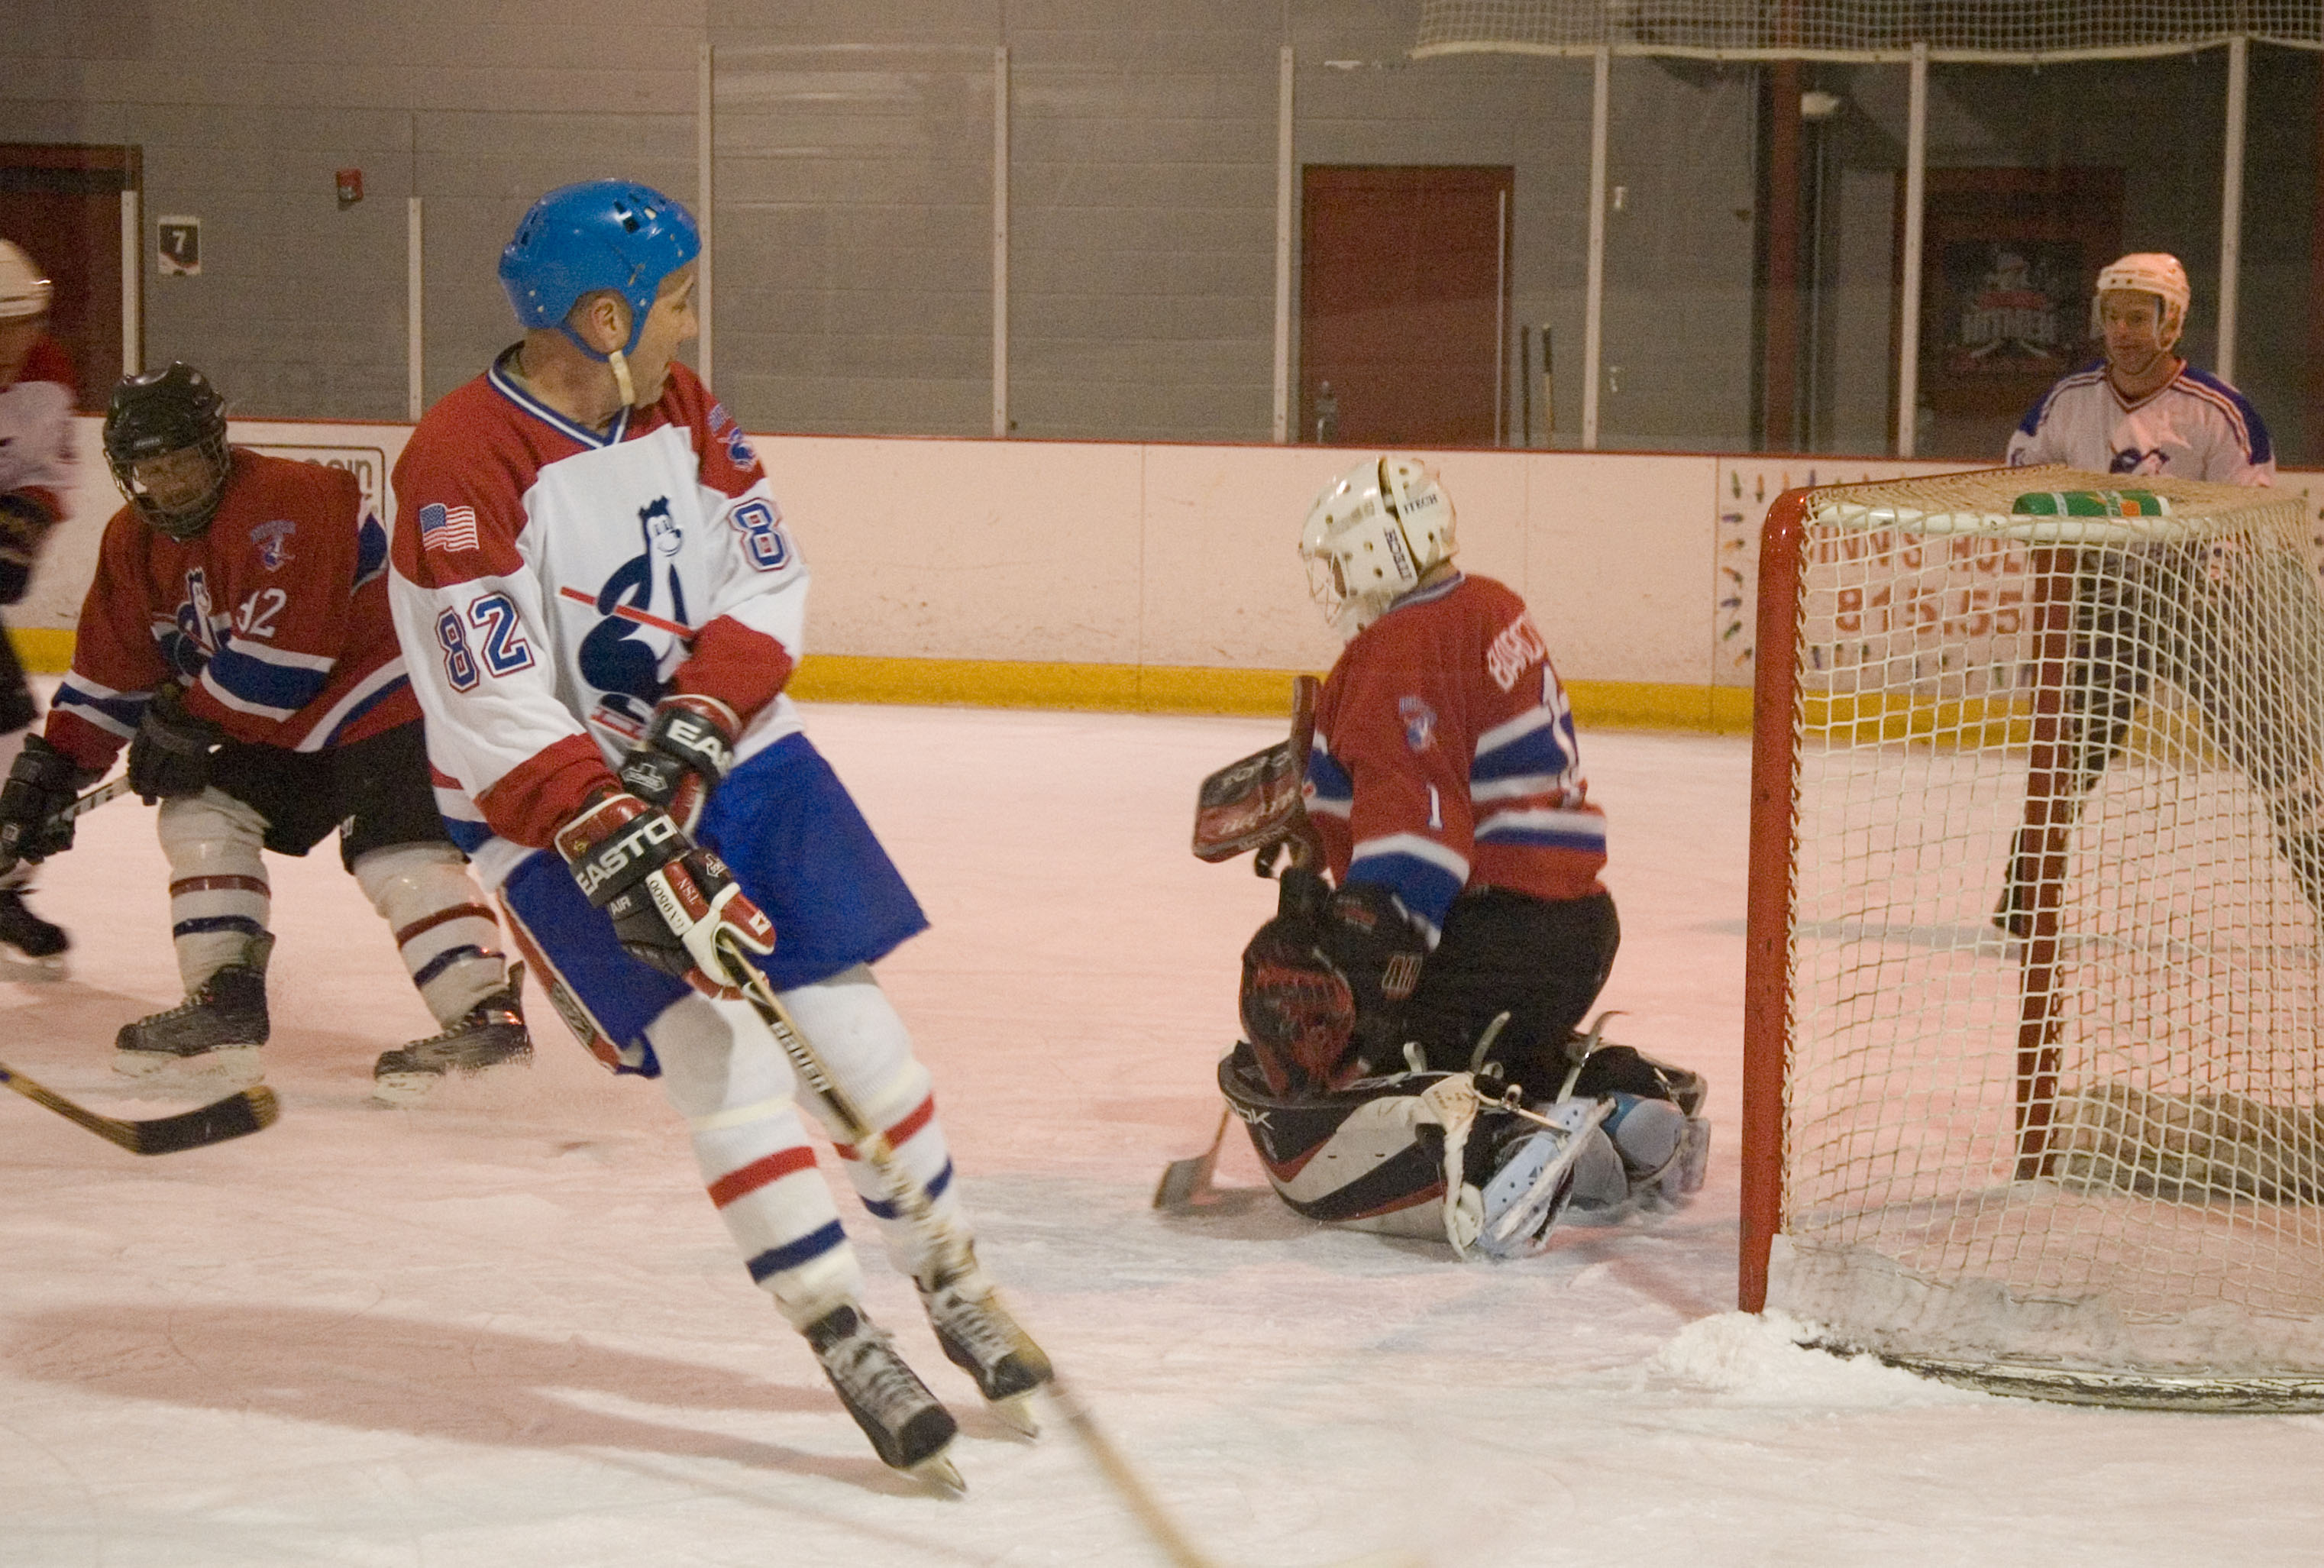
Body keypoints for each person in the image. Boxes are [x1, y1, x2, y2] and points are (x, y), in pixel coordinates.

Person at [384, 179, 1046, 1487]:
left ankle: (951, 1276)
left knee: (855, 1036)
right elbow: (487, 694)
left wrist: (699, 718)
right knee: (719, 1055)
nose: (690, 322)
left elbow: (763, 570)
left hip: (726, 752)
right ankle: (838, 1325)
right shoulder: (459, 459)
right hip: (551, 803)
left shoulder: (678, 406)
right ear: (604, 316)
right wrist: (604, 817)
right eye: (676, 299)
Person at [0, 362, 534, 1104]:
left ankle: (485, 1016)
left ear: (216, 447)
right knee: (202, 812)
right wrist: (48, 775)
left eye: (183, 461)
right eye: (151, 470)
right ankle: (225, 1002)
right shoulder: (132, 545)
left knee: (397, 855)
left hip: (391, 704)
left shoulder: (297, 497)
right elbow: (107, 679)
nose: (170, 484)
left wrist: (186, 722)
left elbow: (290, 657)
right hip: (279, 735)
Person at [1214, 457, 1708, 1256]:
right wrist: (1323, 804)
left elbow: (1420, 835)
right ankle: (1622, 1105)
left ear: (1378, 552)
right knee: (1496, 1044)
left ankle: (1508, 1147)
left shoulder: (1395, 650)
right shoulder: (1485, 604)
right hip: (1577, 928)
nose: (1334, 583)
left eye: (1339, 563)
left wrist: (1357, 943)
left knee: (1374, 1053)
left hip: (1493, 937)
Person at [1994, 253, 2317, 933]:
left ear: (2171, 323)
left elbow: (2244, 513)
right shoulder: (2068, 400)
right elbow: (2021, 471)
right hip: (2104, 601)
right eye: (2112, 316)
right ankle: (2023, 901)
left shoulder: (2216, 410)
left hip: (2202, 604)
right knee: (2071, 752)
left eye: (2138, 318)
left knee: (2277, 752)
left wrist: (2213, 580)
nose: (2122, 331)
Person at [0, 238, 76, 973]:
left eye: (25, 323)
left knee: (8, 727)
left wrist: (22, 524)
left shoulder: (46, 371)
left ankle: (1, 883)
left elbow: (44, 473)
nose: (16, 344)